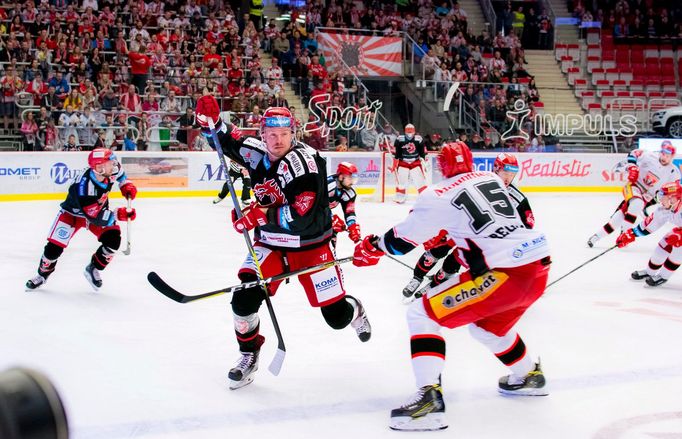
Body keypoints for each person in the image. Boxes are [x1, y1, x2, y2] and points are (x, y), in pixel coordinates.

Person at [351, 141, 551, 431]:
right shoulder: (491, 179)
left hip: (504, 273)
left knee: (422, 314)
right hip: (537, 266)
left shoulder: (437, 193)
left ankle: (429, 399)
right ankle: (528, 375)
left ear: (440, 166)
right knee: (489, 328)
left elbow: (400, 242)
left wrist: (374, 246)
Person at [194, 95, 372, 389]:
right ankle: (248, 355)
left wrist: (259, 216)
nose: (278, 141)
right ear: (262, 134)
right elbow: (224, 140)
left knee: (337, 318)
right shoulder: (255, 152)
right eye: (272, 134)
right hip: (272, 244)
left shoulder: (306, 164)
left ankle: (357, 311)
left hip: (311, 244)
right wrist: (209, 123)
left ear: (294, 134)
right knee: (243, 300)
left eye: (284, 134)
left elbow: (301, 216)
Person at [402, 153, 536, 298]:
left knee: (454, 261)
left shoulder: (518, 197)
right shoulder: (477, 179)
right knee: (436, 251)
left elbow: (527, 224)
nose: (508, 178)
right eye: (506, 173)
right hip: (457, 226)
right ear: (496, 168)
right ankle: (416, 278)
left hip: (478, 238)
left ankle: (434, 284)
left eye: (512, 174)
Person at [25, 149, 137, 291]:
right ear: (99, 168)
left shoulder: (110, 170)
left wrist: (126, 186)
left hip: (96, 212)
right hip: (72, 215)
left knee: (113, 240)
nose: (114, 165)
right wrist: (119, 214)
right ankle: (42, 275)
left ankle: (93, 268)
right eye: (110, 163)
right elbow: (94, 217)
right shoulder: (84, 187)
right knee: (53, 250)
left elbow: (122, 177)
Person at [587, 142, 680, 248]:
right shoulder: (650, 156)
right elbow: (633, 153)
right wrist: (632, 167)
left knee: (619, 217)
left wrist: (666, 197)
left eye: (667, 156)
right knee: (637, 204)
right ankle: (624, 234)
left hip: (647, 196)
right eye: (663, 154)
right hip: (634, 186)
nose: (664, 157)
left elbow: (674, 190)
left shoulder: (674, 172)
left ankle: (596, 237)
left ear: (672, 157)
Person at [615, 181, 682, 287]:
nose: (660, 200)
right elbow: (649, 225)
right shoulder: (663, 210)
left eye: (663, 197)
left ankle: (664, 276)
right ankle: (649, 271)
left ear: (673, 198)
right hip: (679, 230)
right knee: (662, 247)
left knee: (679, 250)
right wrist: (631, 234)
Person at [329, 162, 361, 248]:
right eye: (350, 178)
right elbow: (314, 205)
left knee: (332, 229)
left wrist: (352, 225)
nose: (352, 182)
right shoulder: (327, 185)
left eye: (354, 178)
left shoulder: (349, 193)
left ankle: (330, 254)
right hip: (305, 215)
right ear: (341, 177)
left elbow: (349, 211)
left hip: (320, 214)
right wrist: (330, 218)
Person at [393, 123, 427, 203]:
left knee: (420, 181)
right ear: (405, 131)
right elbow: (397, 152)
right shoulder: (400, 139)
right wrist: (395, 161)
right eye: (408, 131)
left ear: (414, 131)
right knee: (401, 181)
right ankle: (400, 196)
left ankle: (423, 197)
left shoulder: (418, 139)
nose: (409, 133)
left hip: (415, 162)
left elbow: (422, 151)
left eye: (411, 131)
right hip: (403, 162)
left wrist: (423, 159)